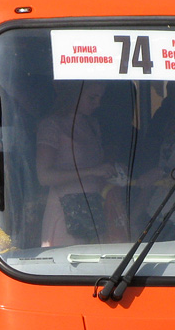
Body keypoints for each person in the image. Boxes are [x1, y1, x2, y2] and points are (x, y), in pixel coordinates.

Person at [37, 81, 118, 246]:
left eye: (100, 98)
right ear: (74, 95)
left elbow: (98, 167)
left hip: (93, 208)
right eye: (92, 97)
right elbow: (44, 177)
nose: (98, 104)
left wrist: (112, 171)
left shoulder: (93, 124)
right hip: (65, 211)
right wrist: (92, 171)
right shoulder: (52, 125)